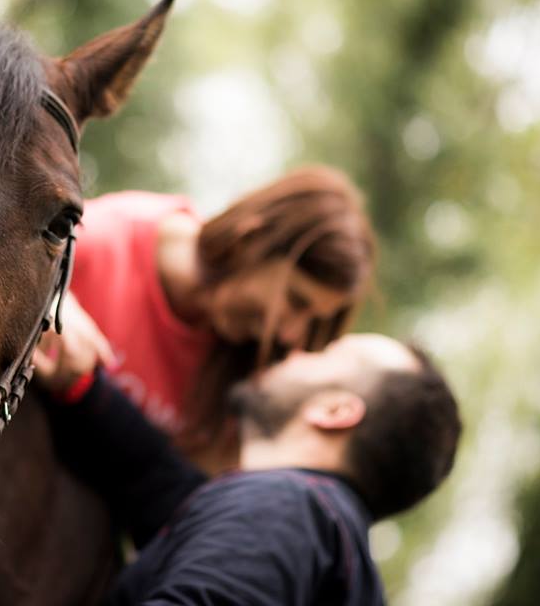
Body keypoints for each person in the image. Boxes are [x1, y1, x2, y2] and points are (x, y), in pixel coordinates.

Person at [34, 333, 462, 605]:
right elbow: (159, 484)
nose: (295, 349)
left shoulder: (287, 511)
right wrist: (81, 386)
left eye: (326, 353)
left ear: (334, 411)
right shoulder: (319, 534)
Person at [39, 166, 376, 470]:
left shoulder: (248, 375)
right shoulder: (108, 239)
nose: (290, 335)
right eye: (295, 300)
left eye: (312, 322)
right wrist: (51, 298)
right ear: (253, 237)